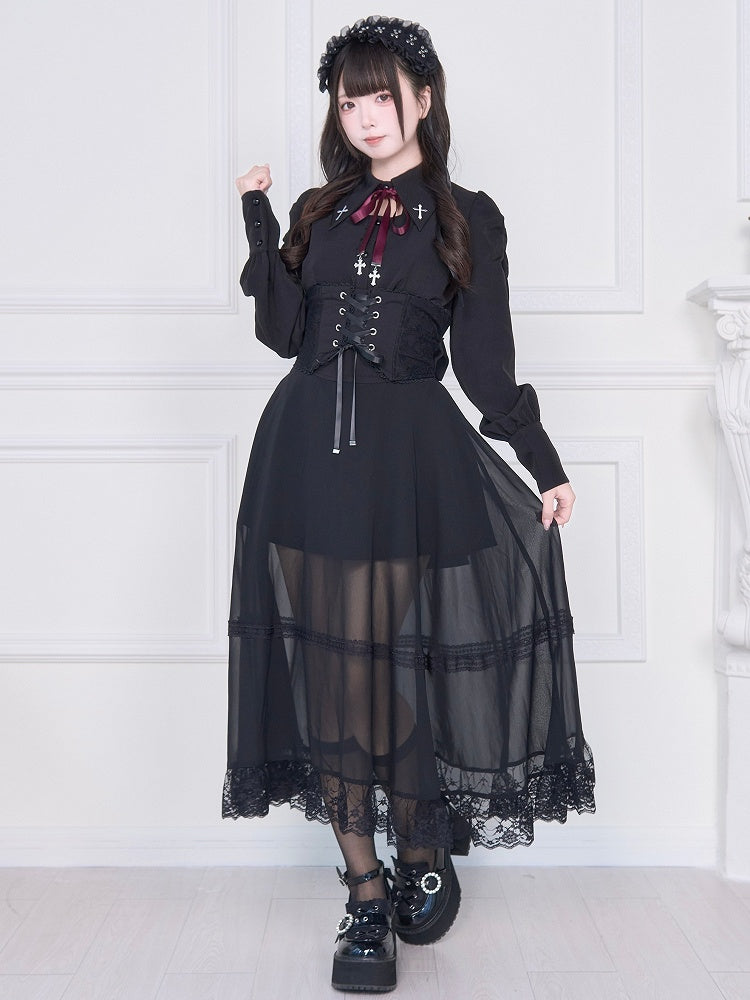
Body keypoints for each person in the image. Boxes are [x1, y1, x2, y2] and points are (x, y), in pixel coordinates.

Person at [223, 14, 596, 993]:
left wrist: (543, 461)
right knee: (334, 673)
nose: (365, 115)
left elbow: (485, 364)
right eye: (349, 100)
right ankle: (365, 893)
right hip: (303, 458)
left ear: (423, 101)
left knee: (379, 662)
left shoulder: (467, 215)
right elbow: (282, 332)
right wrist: (258, 218)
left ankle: (423, 838)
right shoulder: (319, 208)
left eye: (381, 95)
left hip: (405, 465)